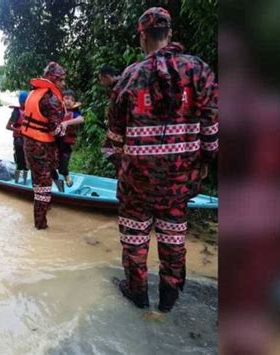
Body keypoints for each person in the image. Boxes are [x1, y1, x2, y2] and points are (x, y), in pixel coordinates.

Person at [102, 7, 218, 312]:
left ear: (142, 36)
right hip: (180, 177)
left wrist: (123, 167)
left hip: (137, 179)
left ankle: (137, 292)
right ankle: (169, 295)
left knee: (134, 234)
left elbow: (113, 138)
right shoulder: (199, 70)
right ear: (169, 33)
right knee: (173, 233)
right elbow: (212, 127)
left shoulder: (130, 76)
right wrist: (204, 161)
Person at [20, 62, 66, 229]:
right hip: (41, 146)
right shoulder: (51, 98)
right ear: (54, 79)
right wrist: (64, 129)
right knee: (44, 186)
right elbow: (54, 130)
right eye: (61, 80)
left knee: (37, 182)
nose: (63, 84)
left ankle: (42, 213)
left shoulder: (34, 93)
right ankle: (40, 226)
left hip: (29, 143)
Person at [56, 89, 84, 187]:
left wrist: (67, 122)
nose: (68, 101)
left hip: (66, 144)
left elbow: (81, 119)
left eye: (71, 100)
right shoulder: (57, 110)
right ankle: (56, 182)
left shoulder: (75, 112)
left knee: (63, 167)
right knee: (51, 164)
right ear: (62, 99)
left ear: (74, 102)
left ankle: (67, 177)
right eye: (66, 98)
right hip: (54, 142)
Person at [6, 91, 29, 184]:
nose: (25, 103)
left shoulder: (31, 110)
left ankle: (24, 181)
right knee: (20, 162)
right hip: (19, 140)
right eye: (24, 101)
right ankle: (16, 181)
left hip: (28, 140)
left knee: (27, 163)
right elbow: (8, 126)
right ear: (21, 102)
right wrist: (17, 130)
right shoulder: (16, 112)